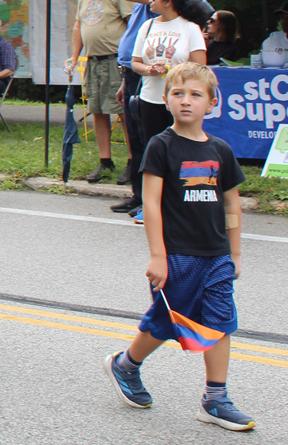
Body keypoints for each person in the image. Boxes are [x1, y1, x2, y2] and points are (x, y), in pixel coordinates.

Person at [103, 62, 255, 432]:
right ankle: (126, 365)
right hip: (177, 255)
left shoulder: (220, 150)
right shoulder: (161, 146)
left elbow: (232, 205)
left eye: (195, 94)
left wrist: (234, 253)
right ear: (167, 100)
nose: (186, 101)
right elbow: (150, 204)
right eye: (177, 93)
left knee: (220, 323)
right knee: (167, 322)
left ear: (212, 103)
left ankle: (215, 399)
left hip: (216, 255)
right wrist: (158, 256)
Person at [111, 0, 211, 217]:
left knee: (182, 151)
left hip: (180, 102)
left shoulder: (189, 28)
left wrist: (175, 71)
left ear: (169, 2)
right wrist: (149, 68)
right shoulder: (147, 26)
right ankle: (151, 204)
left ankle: (182, 204)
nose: (151, 2)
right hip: (150, 99)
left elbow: (200, 68)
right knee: (153, 151)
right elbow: (135, 62)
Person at [63, 0, 135, 184]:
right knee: (97, 109)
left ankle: (133, 160)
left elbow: (133, 23)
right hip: (93, 61)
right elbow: (78, 26)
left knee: (124, 110)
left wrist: (129, 59)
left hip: (116, 59)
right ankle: (105, 161)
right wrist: (74, 57)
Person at [112, 1, 158, 217]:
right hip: (131, 73)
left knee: (145, 135)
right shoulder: (140, 8)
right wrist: (124, 81)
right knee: (135, 138)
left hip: (146, 74)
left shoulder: (153, 6)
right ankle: (138, 195)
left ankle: (150, 199)